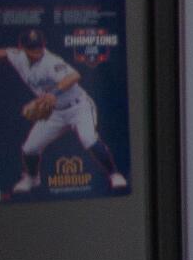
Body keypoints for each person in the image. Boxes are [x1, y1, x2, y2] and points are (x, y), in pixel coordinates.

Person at [8, 25, 124, 196]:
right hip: (55, 113)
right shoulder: (17, 57)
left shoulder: (50, 61)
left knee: (89, 139)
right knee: (30, 148)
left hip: (78, 107)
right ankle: (32, 178)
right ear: (22, 47)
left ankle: (114, 174)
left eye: (39, 46)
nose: (37, 50)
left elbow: (74, 76)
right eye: (32, 47)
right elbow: (4, 53)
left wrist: (53, 93)